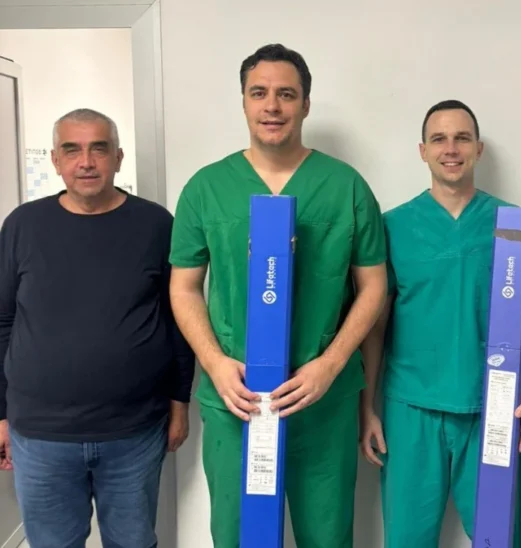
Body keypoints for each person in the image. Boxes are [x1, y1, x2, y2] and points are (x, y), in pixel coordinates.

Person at [168, 43, 388, 548]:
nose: (272, 106)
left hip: (323, 400)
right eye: (259, 93)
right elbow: (184, 287)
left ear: (305, 104)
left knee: (327, 536)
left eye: (286, 94)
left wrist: (330, 364)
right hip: (237, 400)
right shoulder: (206, 188)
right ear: (243, 102)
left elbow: (374, 286)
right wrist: (216, 364)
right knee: (238, 535)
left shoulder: (347, 187)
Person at [358, 99, 521, 548]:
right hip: (410, 408)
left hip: (493, 408)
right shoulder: (393, 227)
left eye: (462, 138)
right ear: (422, 151)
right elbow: (375, 326)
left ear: (478, 149)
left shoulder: (514, 226)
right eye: (439, 139)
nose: (451, 148)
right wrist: (367, 406)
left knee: (499, 540)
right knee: (406, 540)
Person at [0, 108, 194, 548]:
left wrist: (180, 401)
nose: (86, 162)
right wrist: (1, 414)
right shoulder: (22, 225)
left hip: (135, 431)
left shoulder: (156, 224)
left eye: (99, 149)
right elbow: (2, 320)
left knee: (133, 542)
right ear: (55, 160)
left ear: (118, 157)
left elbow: (179, 318)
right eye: (72, 150)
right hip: (40, 434)